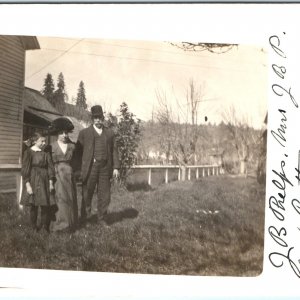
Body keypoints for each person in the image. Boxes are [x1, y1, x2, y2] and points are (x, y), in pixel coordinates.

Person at [76, 105, 120, 225]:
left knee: (105, 195)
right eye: (95, 118)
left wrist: (116, 167)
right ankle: (85, 219)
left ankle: (101, 219)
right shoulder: (84, 133)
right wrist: (79, 170)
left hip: (105, 167)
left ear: (103, 118)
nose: (98, 120)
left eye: (100, 117)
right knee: (87, 193)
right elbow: (78, 154)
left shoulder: (109, 133)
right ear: (92, 119)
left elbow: (114, 150)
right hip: (91, 167)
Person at [20, 132, 56, 233]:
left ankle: (45, 227)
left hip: (44, 180)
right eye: (42, 141)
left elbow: (50, 167)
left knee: (45, 205)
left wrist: (50, 182)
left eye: (45, 141)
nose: (44, 143)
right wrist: (28, 185)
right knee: (34, 205)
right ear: (35, 141)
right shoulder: (29, 152)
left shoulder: (46, 153)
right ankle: (34, 227)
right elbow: (25, 170)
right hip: (33, 180)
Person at [49, 117, 78, 232]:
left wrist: (74, 171)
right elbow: (49, 163)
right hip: (57, 175)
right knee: (59, 199)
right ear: (57, 134)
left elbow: (76, 161)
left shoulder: (72, 146)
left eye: (66, 132)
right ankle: (59, 225)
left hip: (69, 174)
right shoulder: (51, 146)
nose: (64, 135)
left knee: (70, 198)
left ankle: (71, 223)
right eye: (61, 133)